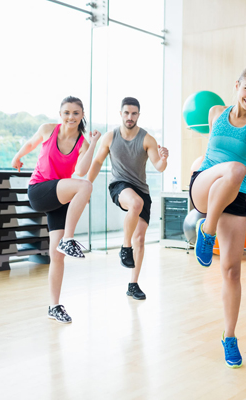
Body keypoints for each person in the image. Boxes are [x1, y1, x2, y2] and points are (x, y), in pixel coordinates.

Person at [189, 65, 246, 368]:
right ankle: (208, 229)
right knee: (237, 168)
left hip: (232, 197)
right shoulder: (216, 112)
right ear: (237, 86)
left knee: (232, 271)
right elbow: (210, 153)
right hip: (204, 184)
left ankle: (229, 337)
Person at [12, 96, 100, 324]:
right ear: (60, 114)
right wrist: (18, 156)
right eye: (67, 112)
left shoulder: (83, 143)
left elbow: (81, 169)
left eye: (76, 113)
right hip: (39, 190)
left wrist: (93, 144)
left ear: (82, 116)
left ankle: (54, 306)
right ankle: (68, 239)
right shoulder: (48, 130)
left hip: (59, 196)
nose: (71, 117)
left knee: (57, 256)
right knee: (85, 187)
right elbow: (32, 143)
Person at [88, 97, 168, 301]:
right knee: (135, 204)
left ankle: (133, 284)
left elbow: (159, 167)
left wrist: (164, 158)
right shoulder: (110, 137)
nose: (130, 117)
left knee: (140, 239)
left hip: (141, 189)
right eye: (126, 113)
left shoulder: (147, 139)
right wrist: (86, 186)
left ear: (138, 115)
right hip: (120, 186)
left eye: (134, 113)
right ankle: (125, 247)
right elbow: (97, 162)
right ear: (121, 114)